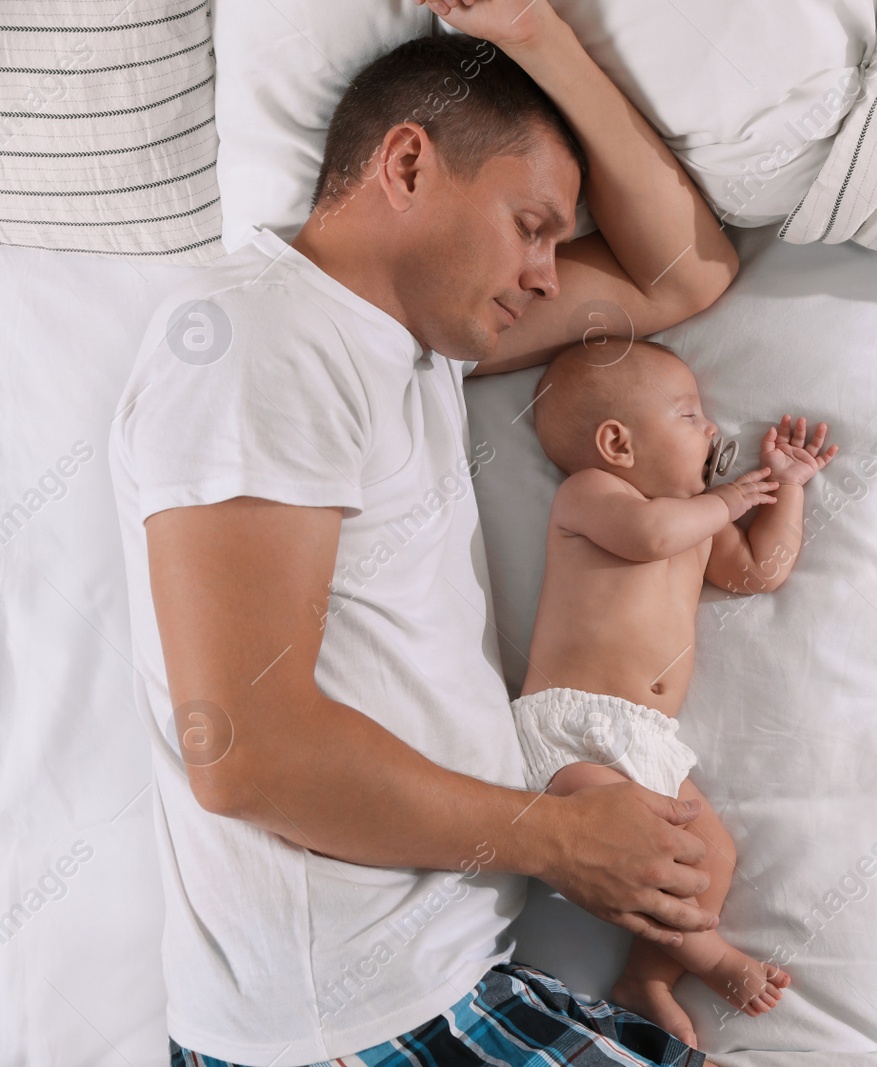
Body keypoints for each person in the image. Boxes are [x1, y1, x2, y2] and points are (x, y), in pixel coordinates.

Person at [109, 0, 741, 1062]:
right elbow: (246, 750)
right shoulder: (260, 339)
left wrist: (540, 38)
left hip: (439, 988)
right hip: (356, 1025)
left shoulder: (416, 354)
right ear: (407, 164)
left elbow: (682, 273)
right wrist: (561, 839)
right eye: (530, 223)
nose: (548, 269)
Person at [515, 340, 837, 1043]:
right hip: (572, 730)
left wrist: (788, 491)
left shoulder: (699, 519)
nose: (714, 430)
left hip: (649, 739)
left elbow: (760, 572)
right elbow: (649, 534)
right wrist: (726, 499)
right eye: (690, 414)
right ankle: (712, 957)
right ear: (617, 443)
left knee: (712, 855)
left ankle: (647, 978)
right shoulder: (596, 496)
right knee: (633, 837)